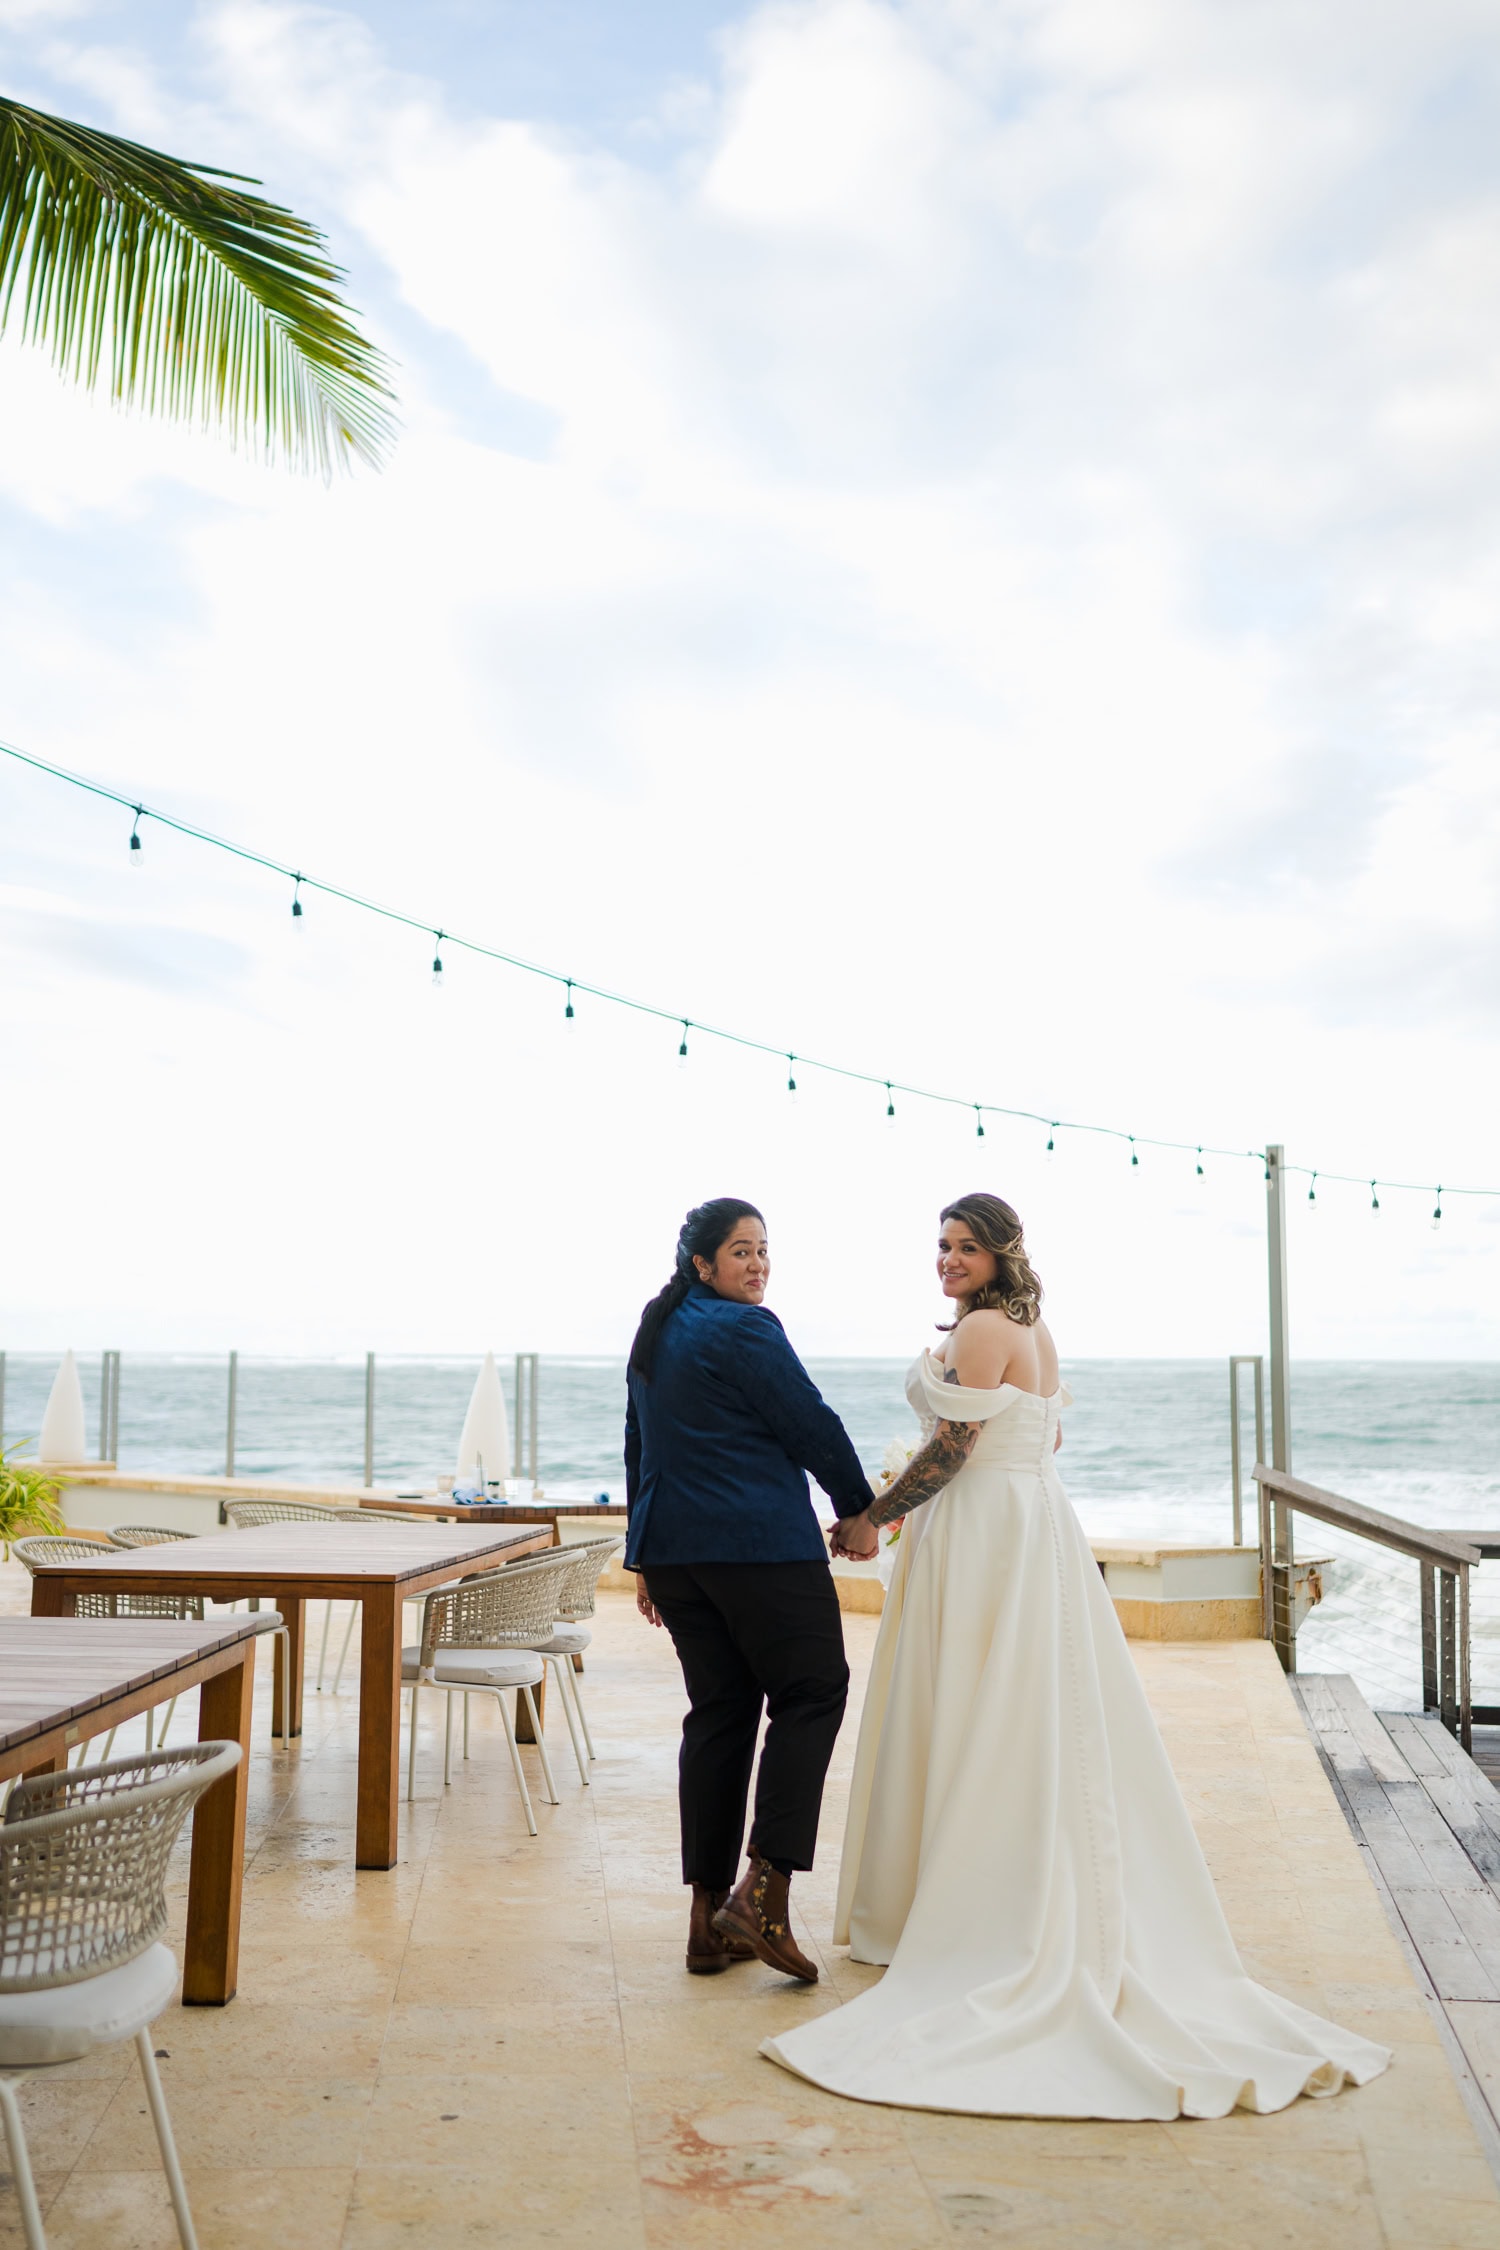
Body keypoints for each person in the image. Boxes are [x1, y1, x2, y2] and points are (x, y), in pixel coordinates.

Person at [763, 1192, 1390, 2118]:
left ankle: (966, 1911)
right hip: (1024, 1521)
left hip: (985, 1533)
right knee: (1010, 1704)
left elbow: (951, 1451)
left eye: (964, 1247)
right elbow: (1043, 1434)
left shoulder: (983, 1328)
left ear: (1000, 1253)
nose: (948, 1260)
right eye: (941, 1245)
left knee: (976, 1702)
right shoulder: (1029, 1325)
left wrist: (871, 1518)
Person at [626, 1197, 875, 1983]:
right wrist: (857, 1510)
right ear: (702, 1264)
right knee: (813, 1691)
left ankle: (707, 1920)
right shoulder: (745, 1329)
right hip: (757, 1548)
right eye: (741, 1251)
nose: (758, 1263)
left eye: (764, 1250)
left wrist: (645, 1558)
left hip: (678, 1555)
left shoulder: (661, 1326)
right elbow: (809, 1422)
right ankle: (762, 1893)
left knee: (722, 1714)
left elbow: (639, 1444)